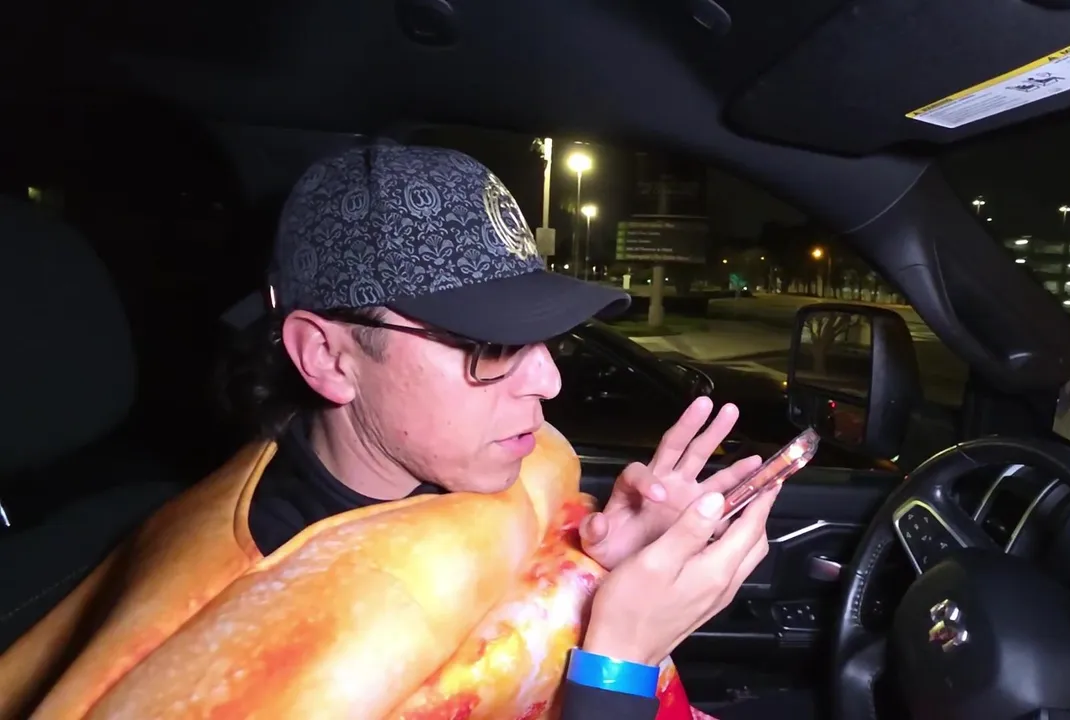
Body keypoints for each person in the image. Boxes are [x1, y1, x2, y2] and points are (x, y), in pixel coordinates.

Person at [0, 142, 777, 720]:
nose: (549, 381)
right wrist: (619, 667)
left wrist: (588, 564)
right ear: (327, 358)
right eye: (488, 347)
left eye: (546, 340)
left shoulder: (491, 471)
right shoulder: (246, 648)